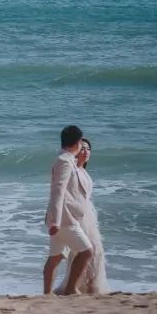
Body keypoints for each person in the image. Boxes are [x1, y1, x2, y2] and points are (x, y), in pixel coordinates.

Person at [54, 138, 110, 294]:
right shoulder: (71, 169)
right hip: (76, 216)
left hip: (88, 215)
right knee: (83, 251)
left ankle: (91, 285)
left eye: (88, 149)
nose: (86, 152)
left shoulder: (83, 171)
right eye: (82, 148)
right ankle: (74, 286)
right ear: (76, 151)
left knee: (97, 251)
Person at [42, 125, 93, 295]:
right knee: (86, 252)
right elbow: (58, 191)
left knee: (56, 257)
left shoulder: (67, 160)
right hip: (65, 220)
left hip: (65, 218)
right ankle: (71, 288)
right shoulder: (64, 161)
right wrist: (55, 221)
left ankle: (47, 294)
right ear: (77, 143)